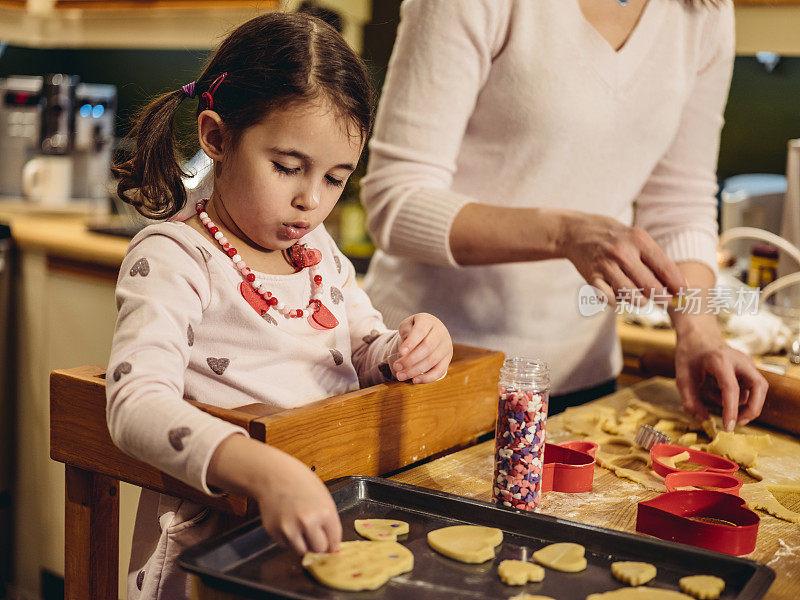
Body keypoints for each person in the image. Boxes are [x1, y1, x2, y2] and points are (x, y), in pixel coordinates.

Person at [108, 12, 452, 599]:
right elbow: (134, 404)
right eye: (288, 168)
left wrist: (409, 348)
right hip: (215, 552)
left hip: (329, 521)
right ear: (215, 138)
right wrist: (265, 470)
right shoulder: (175, 257)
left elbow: (363, 350)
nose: (309, 200)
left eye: (336, 178)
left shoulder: (316, 249)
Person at [361, 0, 767, 429]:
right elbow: (396, 202)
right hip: (432, 369)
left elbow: (680, 202)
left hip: (582, 382)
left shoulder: (703, 10)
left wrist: (699, 331)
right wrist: (563, 234)